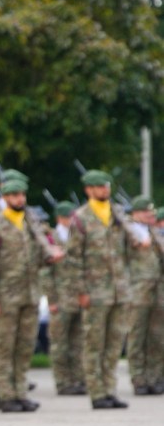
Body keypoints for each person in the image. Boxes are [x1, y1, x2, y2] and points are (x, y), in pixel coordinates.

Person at [0, 177, 61, 412]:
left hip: (30, 293)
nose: (20, 199)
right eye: (15, 195)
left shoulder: (30, 222)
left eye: (22, 195)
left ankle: (20, 392)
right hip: (6, 296)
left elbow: (38, 258)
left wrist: (50, 256)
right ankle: (6, 395)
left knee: (25, 346)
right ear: (5, 197)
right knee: (5, 347)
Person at [65, 170, 130, 410]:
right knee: (94, 343)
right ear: (89, 190)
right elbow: (73, 258)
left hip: (118, 289)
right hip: (95, 291)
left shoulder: (117, 214)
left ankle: (110, 389)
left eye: (106, 186)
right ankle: (97, 392)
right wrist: (81, 290)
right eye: (100, 187)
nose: (105, 190)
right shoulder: (81, 218)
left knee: (114, 344)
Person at [125, 196, 164, 395]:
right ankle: (139, 379)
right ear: (136, 213)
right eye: (147, 212)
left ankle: (155, 377)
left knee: (156, 336)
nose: (151, 215)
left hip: (157, 290)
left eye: (152, 212)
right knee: (137, 336)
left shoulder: (153, 231)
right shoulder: (128, 232)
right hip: (137, 291)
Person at [45, 201, 85, 395]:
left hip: (78, 297)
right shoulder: (50, 239)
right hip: (61, 298)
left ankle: (78, 379)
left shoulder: (77, 237)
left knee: (78, 342)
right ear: (60, 218)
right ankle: (63, 382)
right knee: (60, 343)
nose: (72, 221)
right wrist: (51, 299)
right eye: (69, 218)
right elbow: (46, 272)